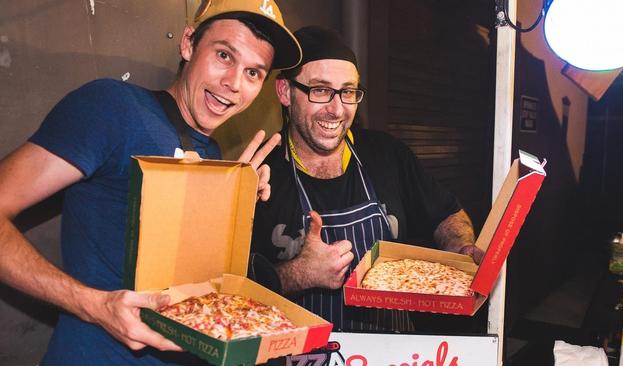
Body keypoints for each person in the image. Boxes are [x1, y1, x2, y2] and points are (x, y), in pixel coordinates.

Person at [0, 0, 301, 364]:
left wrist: (231, 207)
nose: (233, 84)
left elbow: (187, 282)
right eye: (224, 55)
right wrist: (95, 306)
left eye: (254, 73)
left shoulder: (214, 153)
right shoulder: (113, 108)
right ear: (189, 43)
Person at [251, 26, 484, 332]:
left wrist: (462, 249)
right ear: (284, 91)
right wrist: (299, 273)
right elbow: (227, 293)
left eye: (347, 91)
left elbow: (447, 213)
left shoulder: (387, 154)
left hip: (392, 350)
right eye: (320, 90)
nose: (337, 110)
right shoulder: (259, 176)